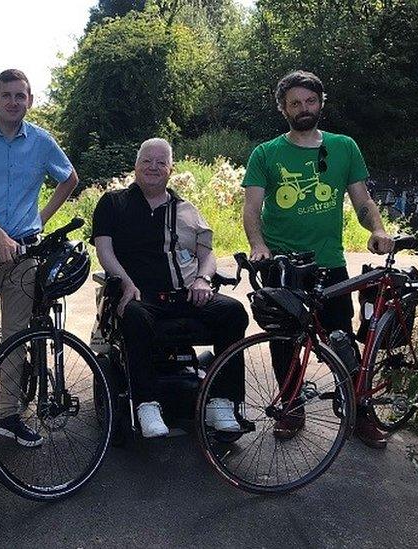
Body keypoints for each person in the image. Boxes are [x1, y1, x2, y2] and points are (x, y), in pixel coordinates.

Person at [241, 70, 395, 448]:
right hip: (284, 266)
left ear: (321, 103)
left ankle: (358, 411)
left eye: (310, 101)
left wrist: (376, 229)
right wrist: (258, 246)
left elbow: (362, 200)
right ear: (283, 109)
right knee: (284, 341)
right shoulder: (265, 153)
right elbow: (251, 208)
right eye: (295, 103)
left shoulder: (344, 147)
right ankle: (291, 407)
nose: (303, 108)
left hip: (330, 263)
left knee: (342, 340)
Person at [0, 69, 79, 446]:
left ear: (30, 100)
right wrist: (1, 236)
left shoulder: (41, 141)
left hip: (25, 254)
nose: (12, 102)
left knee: (16, 335)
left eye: (19, 96)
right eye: (6, 95)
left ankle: (8, 413)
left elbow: (69, 178)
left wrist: (39, 219)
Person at [91, 138, 249, 438]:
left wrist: (203, 278)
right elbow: (104, 251)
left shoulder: (186, 209)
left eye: (161, 162)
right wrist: (125, 282)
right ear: (136, 166)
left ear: (170, 168)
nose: (153, 167)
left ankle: (221, 403)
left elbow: (207, 253)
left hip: (186, 294)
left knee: (233, 312)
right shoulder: (114, 203)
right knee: (134, 316)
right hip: (140, 294)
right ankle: (147, 405)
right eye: (147, 161)